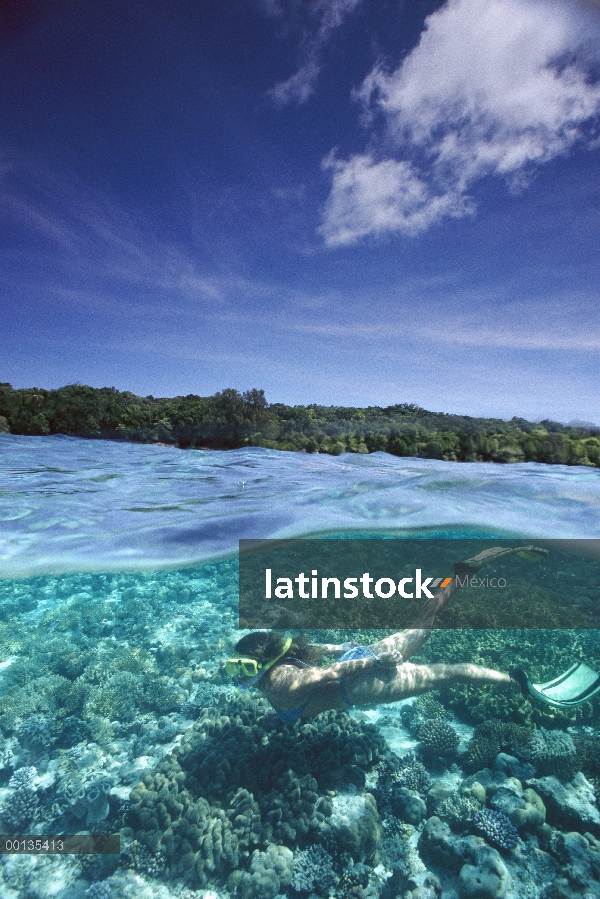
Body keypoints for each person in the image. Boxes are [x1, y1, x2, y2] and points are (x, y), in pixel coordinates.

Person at [226, 545, 598, 722]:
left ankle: (518, 684)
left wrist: (375, 660)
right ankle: (460, 575)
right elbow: (319, 652)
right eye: (236, 669)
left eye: (242, 668)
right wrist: (347, 647)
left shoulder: (280, 686)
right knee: (423, 623)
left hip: (360, 681)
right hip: (357, 661)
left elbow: (332, 674)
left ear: (262, 660)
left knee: (450, 673)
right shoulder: (287, 660)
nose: (242, 677)